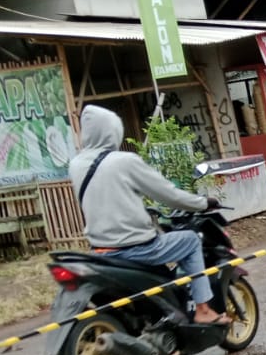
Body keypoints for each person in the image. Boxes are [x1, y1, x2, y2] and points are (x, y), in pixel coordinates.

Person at [69, 104, 229, 325]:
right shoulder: (124, 161)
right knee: (191, 241)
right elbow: (168, 194)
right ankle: (202, 309)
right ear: (112, 131)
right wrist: (202, 203)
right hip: (137, 248)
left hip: (100, 251)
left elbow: (108, 196)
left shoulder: (76, 164)